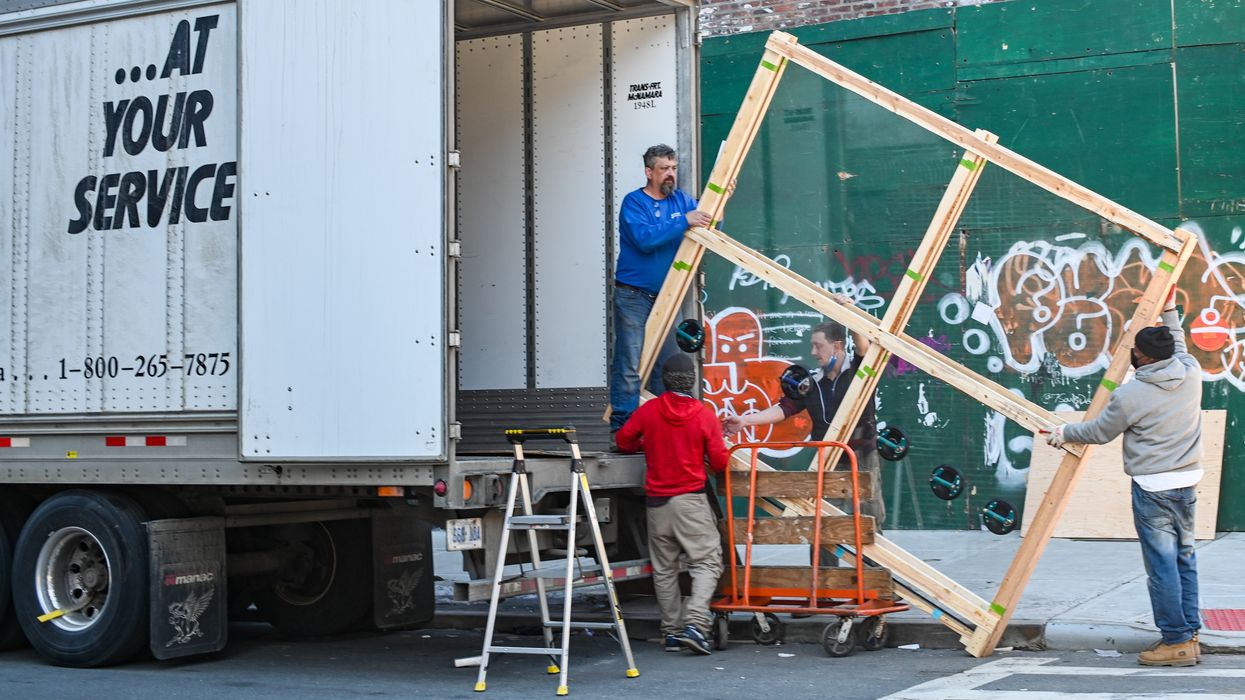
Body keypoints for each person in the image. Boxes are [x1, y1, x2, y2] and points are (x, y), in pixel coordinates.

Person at [1046, 289, 1202, 667]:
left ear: (1143, 357)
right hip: (1187, 481)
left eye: (1136, 350)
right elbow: (1178, 344)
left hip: (1153, 488)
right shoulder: (1191, 370)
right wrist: (1169, 312)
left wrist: (1064, 432)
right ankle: (1190, 631)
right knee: (1184, 557)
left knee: (1161, 567)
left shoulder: (1131, 393)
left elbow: (1099, 431)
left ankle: (1176, 641)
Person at [723, 295, 884, 528]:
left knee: (870, 518)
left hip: (862, 454)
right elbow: (784, 409)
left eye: (818, 346)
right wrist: (745, 421)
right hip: (828, 457)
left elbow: (863, 347)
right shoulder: (812, 381)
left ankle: (870, 564)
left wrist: (849, 309)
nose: (813, 352)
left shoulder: (858, 372)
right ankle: (825, 566)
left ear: (837, 346)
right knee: (825, 522)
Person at [615, 353, 729, 655]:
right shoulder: (703, 415)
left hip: (656, 505)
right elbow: (720, 462)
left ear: (664, 380)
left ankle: (673, 633)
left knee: (664, 570)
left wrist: (647, 443)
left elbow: (623, 440)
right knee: (707, 562)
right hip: (690, 502)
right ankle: (695, 624)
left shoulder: (649, 411)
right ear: (692, 381)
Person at [609, 144, 711, 435]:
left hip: (668, 296)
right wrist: (682, 221)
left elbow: (712, 223)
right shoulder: (634, 203)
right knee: (630, 363)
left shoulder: (681, 200)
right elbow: (644, 239)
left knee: (667, 367)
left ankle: (667, 432)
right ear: (648, 172)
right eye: (664, 169)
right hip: (633, 295)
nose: (670, 174)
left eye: (673, 168)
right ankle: (623, 431)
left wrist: (723, 197)